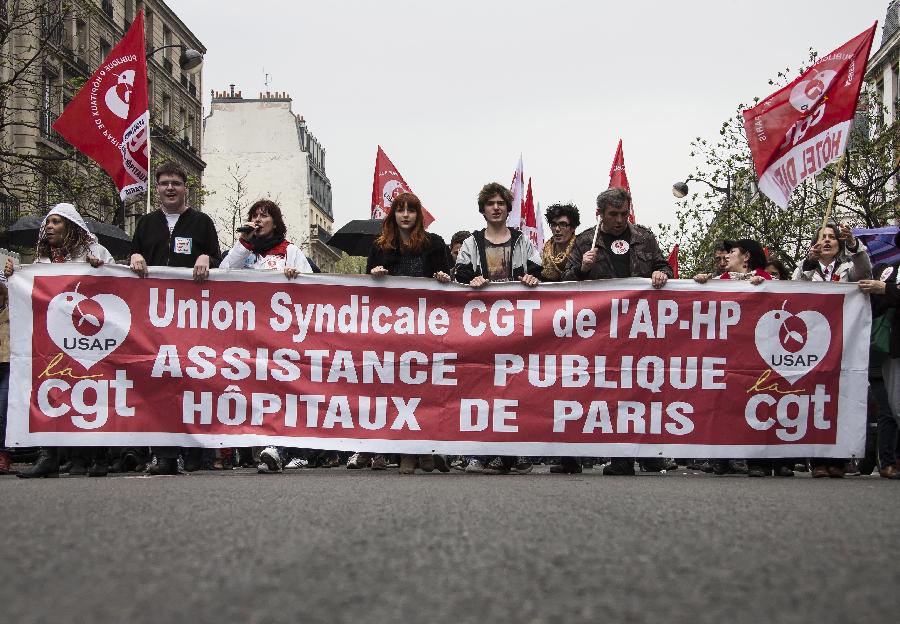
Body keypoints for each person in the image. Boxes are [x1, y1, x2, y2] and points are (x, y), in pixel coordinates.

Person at [563, 188, 671, 476]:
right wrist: (582, 269)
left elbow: (663, 266)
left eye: (624, 213)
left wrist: (662, 273)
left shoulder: (643, 237)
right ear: (600, 214)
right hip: (602, 332)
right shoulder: (586, 240)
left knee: (639, 389)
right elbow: (566, 282)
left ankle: (637, 453)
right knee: (606, 390)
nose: (620, 220)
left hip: (640, 328)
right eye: (613, 215)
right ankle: (616, 452)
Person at [3, 203, 115, 478]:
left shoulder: (96, 253)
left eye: (56, 222)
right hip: (50, 340)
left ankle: (90, 457)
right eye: (47, 223)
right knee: (52, 392)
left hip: (87, 339)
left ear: (71, 227)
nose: (49, 227)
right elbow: (25, 296)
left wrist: (100, 270)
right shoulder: (41, 263)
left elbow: (117, 287)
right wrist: (12, 277)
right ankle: (49, 455)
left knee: (88, 393)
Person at [130, 162, 222, 476]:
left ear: (186, 188)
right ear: (157, 189)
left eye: (176, 183)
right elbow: (134, 255)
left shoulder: (202, 223)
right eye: (164, 183)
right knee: (158, 381)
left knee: (188, 380)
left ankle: (191, 452)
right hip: (154, 316)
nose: (170, 188)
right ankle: (164, 454)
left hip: (191, 316)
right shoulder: (145, 223)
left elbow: (219, 261)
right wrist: (135, 256)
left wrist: (207, 257)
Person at [220, 199, 313, 473]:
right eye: (254, 216)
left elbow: (312, 288)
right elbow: (223, 272)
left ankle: (278, 448)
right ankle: (263, 446)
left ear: (275, 221)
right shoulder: (243, 250)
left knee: (280, 388)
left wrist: (294, 278)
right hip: (247, 334)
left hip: (280, 335)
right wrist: (243, 242)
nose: (258, 220)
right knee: (253, 389)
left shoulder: (290, 251)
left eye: (264, 216)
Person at [455, 183, 541, 474]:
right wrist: (470, 281)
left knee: (515, 390)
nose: (495, 207)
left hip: (515, 327)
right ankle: (478, 453)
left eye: (500, 202)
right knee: (480, 389)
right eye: (490, 203)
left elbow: (538, 270)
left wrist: (532, 280)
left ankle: (513, 454)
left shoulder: (523, 242)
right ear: (483, 209)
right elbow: (460, 274)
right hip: (480, 329)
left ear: (507, 207)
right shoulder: (471, 243)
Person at [364, 191, 452, 475]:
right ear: (393, 215)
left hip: (426, 327)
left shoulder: (435, 244)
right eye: (400, 210)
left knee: (425, 388)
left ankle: (425, 448)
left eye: (411, 210)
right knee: (398, 389)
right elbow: (366, 286)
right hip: (393, 329)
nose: (405, 215)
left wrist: (442, 277)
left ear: (418, 215)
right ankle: (406, 451)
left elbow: (448, 278)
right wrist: (375, 274)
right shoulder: (380, 246)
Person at [795, 222, 871, 478]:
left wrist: (854, 246)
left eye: (832, 237)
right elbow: (794, 288)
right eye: (822, 237)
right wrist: (807, 262)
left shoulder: (849, 266)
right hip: (813, 342)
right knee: (814, 399)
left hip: (843, 342)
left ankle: (839, 459)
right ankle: (816, 459)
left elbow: (864, 272)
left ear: (839, 243)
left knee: (841, 398)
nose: (827, 241)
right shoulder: (806, 268)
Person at [537, 203, 584, 474]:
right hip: (555, 329)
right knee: (558, 390)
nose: (557, 229)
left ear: (573, 227)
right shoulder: (545, 252)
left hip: (581, 325)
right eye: (554, 224)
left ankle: (577, 452)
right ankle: (566, 454)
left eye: (563, 224)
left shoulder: (583, 248)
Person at [861, 248, 900, 479]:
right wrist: (878, 292)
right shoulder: (889, 270)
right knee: (895, 407)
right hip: (891, 348)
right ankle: (892, 459)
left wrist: (886, 290)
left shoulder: (888, 281)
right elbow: (875, 308)